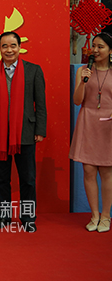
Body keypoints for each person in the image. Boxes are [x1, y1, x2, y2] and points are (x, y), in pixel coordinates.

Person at [0, 31, 46, 232]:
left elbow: (40, 104)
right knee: (1, 179)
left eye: (13, 45)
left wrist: (40, 129)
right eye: (4, 46)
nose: (9, 50)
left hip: (26, 132)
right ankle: (3, 217)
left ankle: (28, 218)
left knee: (28, 179)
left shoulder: (33, 71)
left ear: (19, 47)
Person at [70, 32, 112, 233]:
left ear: (110, 50)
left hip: (108, 125)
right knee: (88, 170)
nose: (95, 50)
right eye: (94, 46)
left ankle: (106, 216)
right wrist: (83, 82)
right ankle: (94, 215)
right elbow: (77, 100)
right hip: (88, 121)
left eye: (100, 46)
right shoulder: (84, 71)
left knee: (107, 172)